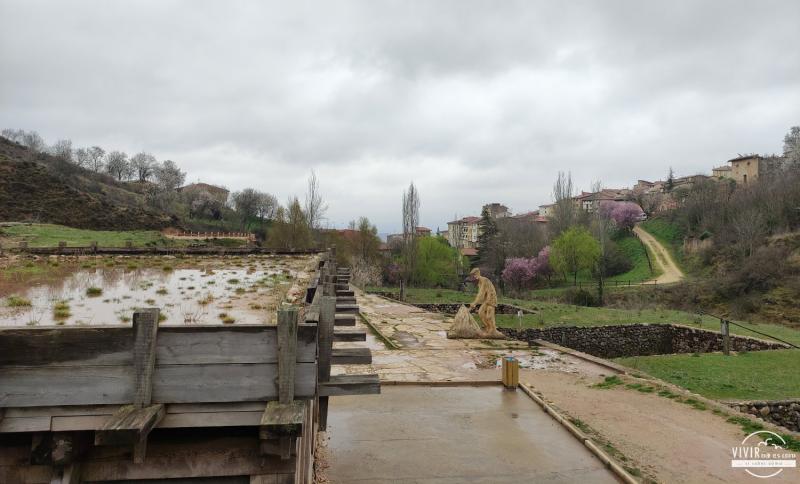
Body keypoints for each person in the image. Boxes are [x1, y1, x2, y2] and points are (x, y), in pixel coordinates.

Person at [467, 267, 500, 337]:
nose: (474, 277)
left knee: (489, 316)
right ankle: (488, 327)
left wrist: (474, 303)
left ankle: (492, 330)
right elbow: (480, 295)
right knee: (480, 312)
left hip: (491, 299)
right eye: (473, 276)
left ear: (478, 273)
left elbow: (481, 294)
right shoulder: (480, 283)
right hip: (486, 300)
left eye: (475, 275)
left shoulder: (484, 280)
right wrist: (475, 303)